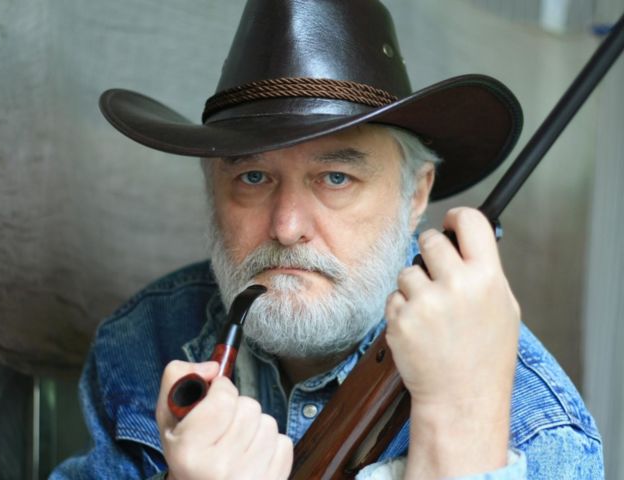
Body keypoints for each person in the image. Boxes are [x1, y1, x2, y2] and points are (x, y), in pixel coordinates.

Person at [51, 0, 603, 478]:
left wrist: (459, 418)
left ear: (416, 194)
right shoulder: (143, 337)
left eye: (336, 178)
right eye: (253, 177)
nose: (287, 226)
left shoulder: (537, 429)